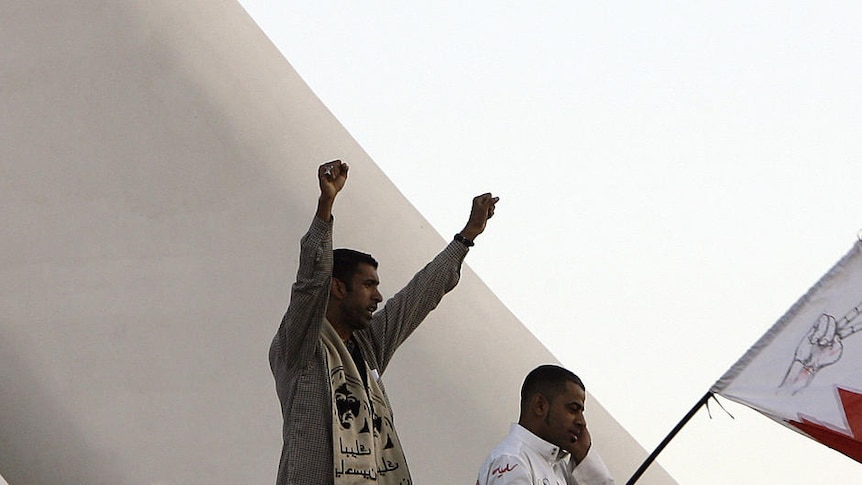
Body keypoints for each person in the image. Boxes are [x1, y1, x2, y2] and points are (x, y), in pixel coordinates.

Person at [270, 159, 498, 485]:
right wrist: (326, 205)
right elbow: (308, 283)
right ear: (336, 287)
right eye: (368, 286)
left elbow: (418, 296)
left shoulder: (366, 346)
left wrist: (466, 236)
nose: (377, 297)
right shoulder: (301, 345)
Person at [476, 365, 615, 485]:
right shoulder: (512, 460)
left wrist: (584, 457)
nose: (581, 422)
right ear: (540, 406)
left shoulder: (557, 465)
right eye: (573, 409)